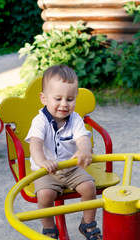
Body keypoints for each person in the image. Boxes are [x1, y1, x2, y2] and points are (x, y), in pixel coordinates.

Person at [25, 65, 102, 240]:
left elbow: (82, 139)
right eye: (58, 98)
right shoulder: (40, 121)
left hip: (71, 168)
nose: (64, 104)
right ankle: (50, 228)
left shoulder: (75, 119)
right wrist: (43, 161)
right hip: (46, 170)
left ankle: (88, 224)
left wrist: (83, 150)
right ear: (44, 98)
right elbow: (35, 144)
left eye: (70, 99)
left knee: (89, 187)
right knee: (45, 195)